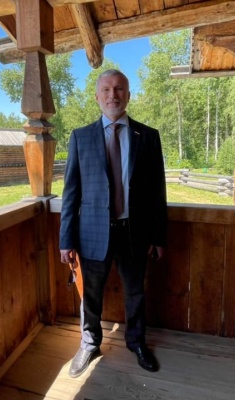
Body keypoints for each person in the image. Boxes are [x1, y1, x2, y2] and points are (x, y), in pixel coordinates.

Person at [59, 69, 167, 378]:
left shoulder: (148, 137)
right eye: (106, 90)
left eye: (119, 89)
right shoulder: (80, 137)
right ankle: (89, 343)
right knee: (90, 295)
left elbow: (158, 191)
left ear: (128, 95)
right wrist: (66, 239)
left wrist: (159, 236)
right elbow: (71, 192)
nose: (113, 95)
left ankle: (136, 342)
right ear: (97, 97)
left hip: (135, 232)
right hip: (92, 234)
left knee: (135, 293)